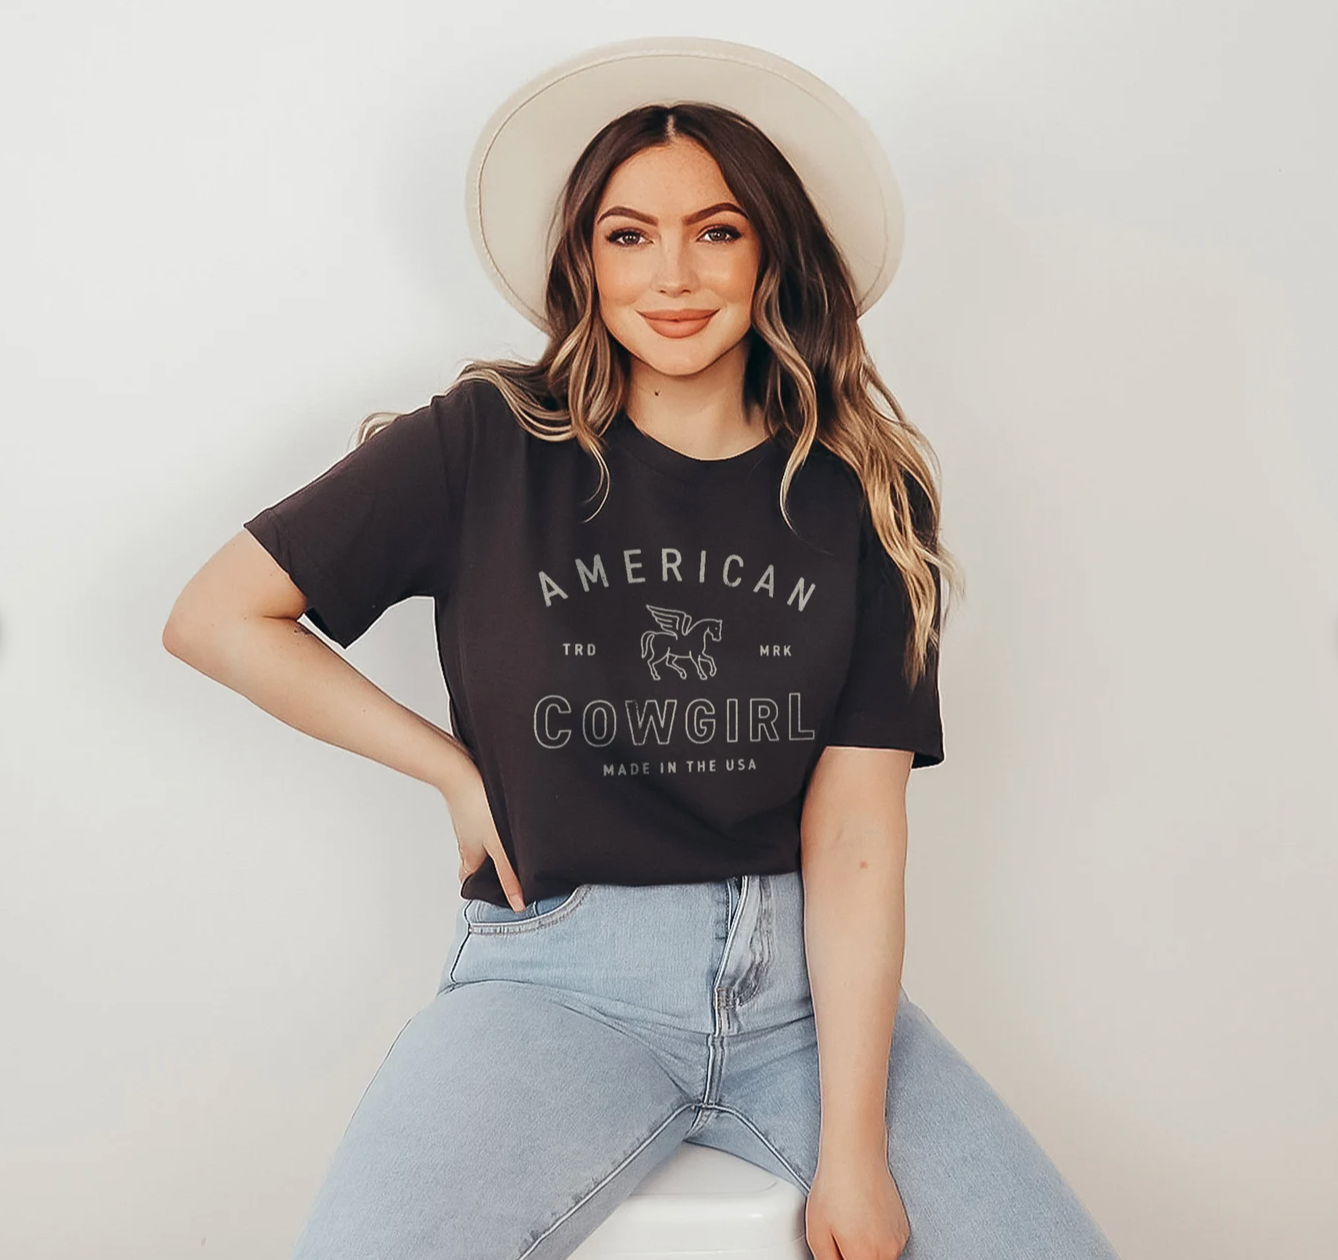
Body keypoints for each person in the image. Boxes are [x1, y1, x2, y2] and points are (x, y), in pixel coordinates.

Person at [162, 36, 1122, 1260]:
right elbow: (217, 615)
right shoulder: (485, 444)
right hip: (558, 982)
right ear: (583, 258)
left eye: (717, 231)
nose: (672, 273)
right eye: (629, 234)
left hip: (802, 1002)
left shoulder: (860, 496)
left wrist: (855, 1151)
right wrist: (453, 771)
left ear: (773, 252)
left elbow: (858, 834)